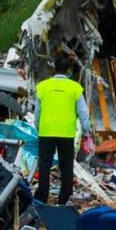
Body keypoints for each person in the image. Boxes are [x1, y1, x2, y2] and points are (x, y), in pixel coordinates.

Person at [34, 55, 90, 205]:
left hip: (46, 132)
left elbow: (37, 112)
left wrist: (38, 127)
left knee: (44, 165)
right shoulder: (75, 88)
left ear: (54, 69)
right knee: (66, 167)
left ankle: (41, 197)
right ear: (69, 70)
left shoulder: (43, 86)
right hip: (66, 134)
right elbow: (83, 113)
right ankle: (64, 199)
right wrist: (86, 132)